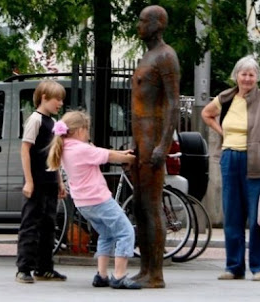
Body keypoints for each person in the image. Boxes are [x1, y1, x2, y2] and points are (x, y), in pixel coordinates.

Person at [201, 55, 260, 281]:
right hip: (230, 159)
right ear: (236, 75)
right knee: (232, 215)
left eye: (251, 74)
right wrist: (222, 133)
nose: (247, 78)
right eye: (243, 74)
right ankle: (234, 266)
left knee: (259, 217)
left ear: (257, 77)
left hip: (257, 161)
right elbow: (206, 113)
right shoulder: (226, 98)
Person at [47, 111, 141, 290]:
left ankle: (102, 275)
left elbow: (100, 152)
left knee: (106, 234)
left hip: (83, 203)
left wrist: (120, 152)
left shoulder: (66, 147)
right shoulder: (81, 149)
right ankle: (119, 276)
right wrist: (130, 157)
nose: (89, 133)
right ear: (80, 130)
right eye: (87, 130)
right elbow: (108, 156)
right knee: (126, 232)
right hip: (99, 199)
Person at [130, 5, 180, 288]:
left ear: (157, 24)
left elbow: (173, 103)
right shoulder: (147, 56)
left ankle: (156, 274)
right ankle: (145, 267)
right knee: (138, 206)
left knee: (151, 206)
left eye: (142, 21)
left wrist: (164, 144)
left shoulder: (166, 56)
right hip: (140, 139)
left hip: (153, 139)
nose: (138, 25)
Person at [16, 79, 67, 283]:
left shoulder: (54, 123)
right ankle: (24, 268)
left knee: (49, 224)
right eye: (57, 99)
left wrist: (60, 182)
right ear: (44, 98)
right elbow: (25, 150)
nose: (60, 103)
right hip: (36, 180)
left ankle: (44, 267)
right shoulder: (35, 120)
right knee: (31, 224)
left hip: (50, 181)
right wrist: (29, 181)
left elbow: (54, 155)